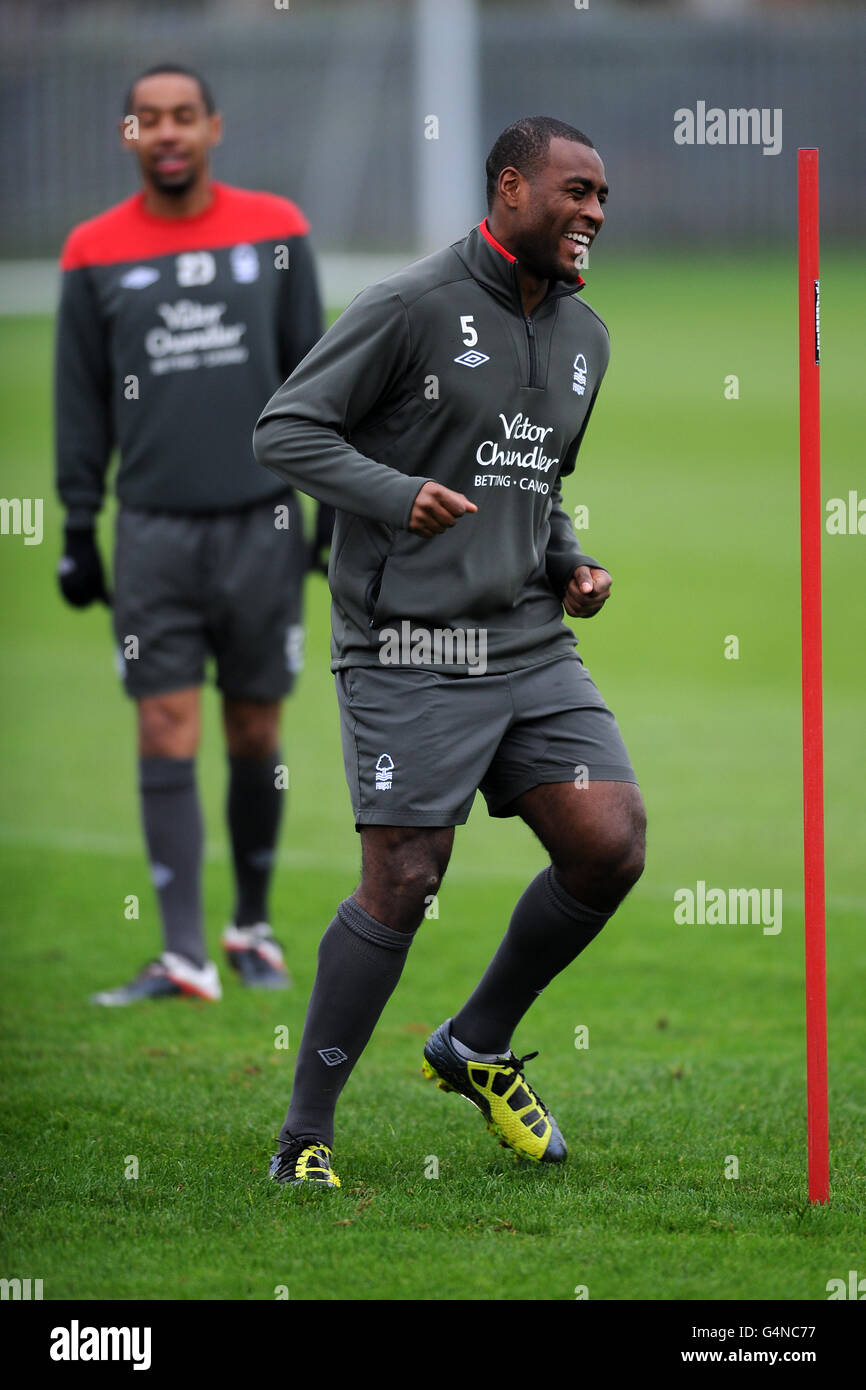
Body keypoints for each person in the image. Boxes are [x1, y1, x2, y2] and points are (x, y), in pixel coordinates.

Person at [254, 116, 645, 1187]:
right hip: (407, 641)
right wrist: (393, 496)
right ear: (510, 188)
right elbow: (284, 428)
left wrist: (566, 560)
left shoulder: (586, 338)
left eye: (602, 196)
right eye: (574, 191)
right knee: (406, 876)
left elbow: (534, 478)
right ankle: (303, 1138)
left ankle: (472, 1042)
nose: (593, 214)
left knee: (608, 840)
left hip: (526, 636)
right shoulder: (408, 306)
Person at [55, 64, 326, 1004]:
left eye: (184, 117)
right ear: (130, 136)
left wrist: (332, 504)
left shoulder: (278, 228)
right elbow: (81, 398)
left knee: (255, 723)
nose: (167, 133)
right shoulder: (92, 250)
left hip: (262, 525)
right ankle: (182, 956)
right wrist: (79, 521)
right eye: (148, 120)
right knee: (164, 723)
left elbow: (316, 376)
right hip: (154, 535)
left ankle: (251, 929)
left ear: (215, 126)